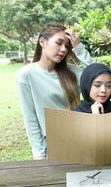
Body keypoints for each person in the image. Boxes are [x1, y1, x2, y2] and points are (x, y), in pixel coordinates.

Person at [16, 23, 92, 159]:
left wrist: (80, 49)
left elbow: (99, 78)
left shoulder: (73, 72)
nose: (63, 49)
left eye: (67, 46)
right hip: (51, 147)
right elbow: (30, 119)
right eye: (59, 43)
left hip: (81, 142)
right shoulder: (26, 75)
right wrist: (39, 155)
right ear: (42, 42)